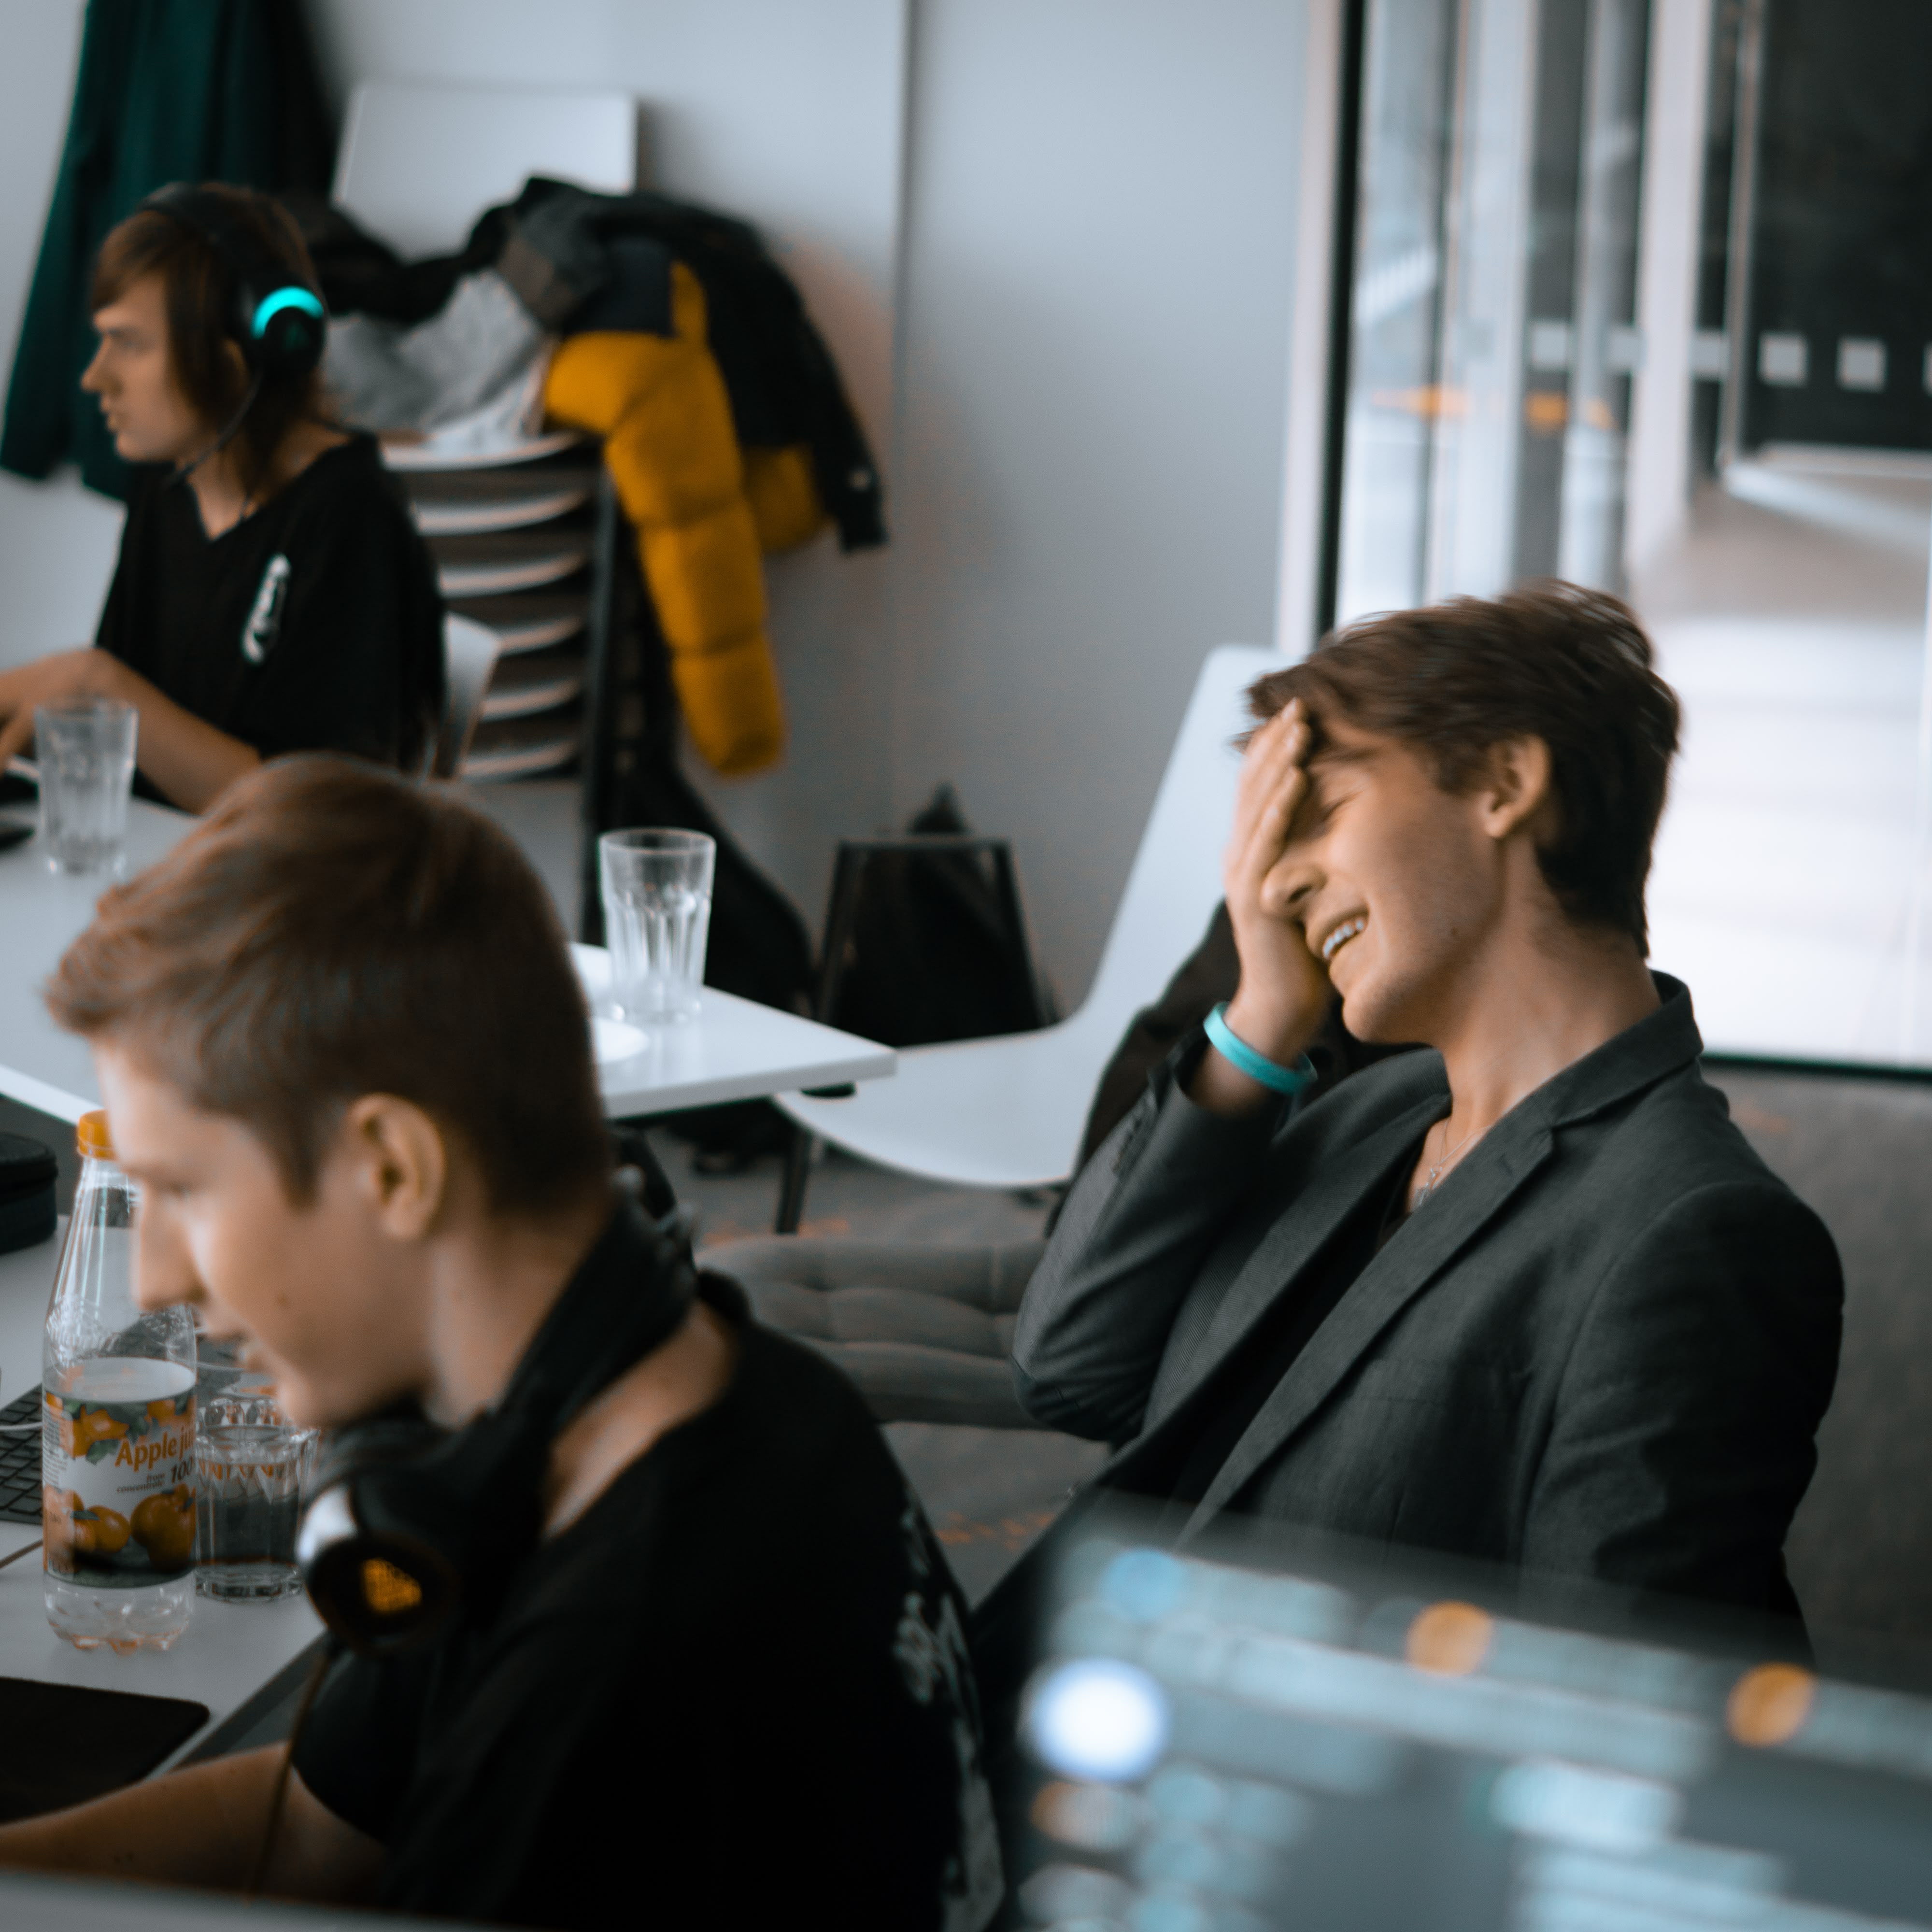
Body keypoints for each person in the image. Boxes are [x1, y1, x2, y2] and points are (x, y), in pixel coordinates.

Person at [0, 757, 1001, 1932]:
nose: (157, 1278)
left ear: (393, 1167)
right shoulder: (677, 1402)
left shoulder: (617, 1654)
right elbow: (321, 1830)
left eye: (184, 1189)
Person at [978, 582, 1843, 1719]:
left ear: (1502, 781)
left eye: (1321, 811)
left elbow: (1586, 1727)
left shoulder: (1696, 1232)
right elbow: (1067, 1367)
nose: (1272, 884)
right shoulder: (1356, 1114)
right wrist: (1259, 1020)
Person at [0, 185, 442, 811]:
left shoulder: (350, 515)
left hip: (283, 874)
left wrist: (95, 681)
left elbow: (314, 812)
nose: (96, 378)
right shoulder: (170, 481)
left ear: (239, 350)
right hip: (164, 855)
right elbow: (124, 742)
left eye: (129, 343)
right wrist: (66, 695)